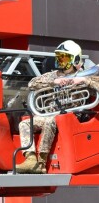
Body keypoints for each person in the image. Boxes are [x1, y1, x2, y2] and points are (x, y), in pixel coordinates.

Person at [16, 40, 99, 174]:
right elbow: (32, 84)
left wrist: (84, 80)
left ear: (76, 60)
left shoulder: (85, 75)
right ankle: (31, 160)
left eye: (64, 57)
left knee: (50, 121)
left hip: (72, 116)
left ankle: (41, 162)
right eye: (59, 57)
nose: (60, 61)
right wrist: (54, 82)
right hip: (51, 114)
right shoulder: (53, 75)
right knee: (25, 124)